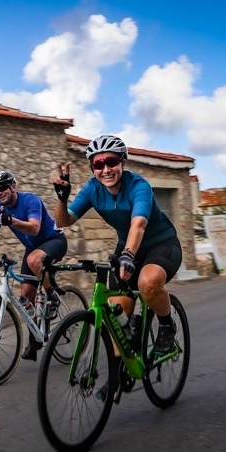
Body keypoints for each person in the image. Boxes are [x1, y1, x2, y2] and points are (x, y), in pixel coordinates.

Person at [51, 134, 182, 353]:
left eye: (111, 162)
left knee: (147, 283)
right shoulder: (93, 189)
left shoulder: (139, 185)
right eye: (98, 164)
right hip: (128, 248)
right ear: (93, 167)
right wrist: (62, 200)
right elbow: (64, 220)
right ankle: (117, 380)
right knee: (116, 317)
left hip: (161, 244)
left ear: (122, 161)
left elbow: (138, 224)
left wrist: (128, 255)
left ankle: (167, 325)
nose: (106, 169)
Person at [0, 170, 68, 361]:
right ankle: (35, 339)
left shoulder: (31, 201)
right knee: (25, 297)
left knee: (33, 260)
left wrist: (12, 220)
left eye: (3, 187)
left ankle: (52, 296)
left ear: (13, 186)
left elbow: (34, 227)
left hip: (55, 241)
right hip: (33, 248)